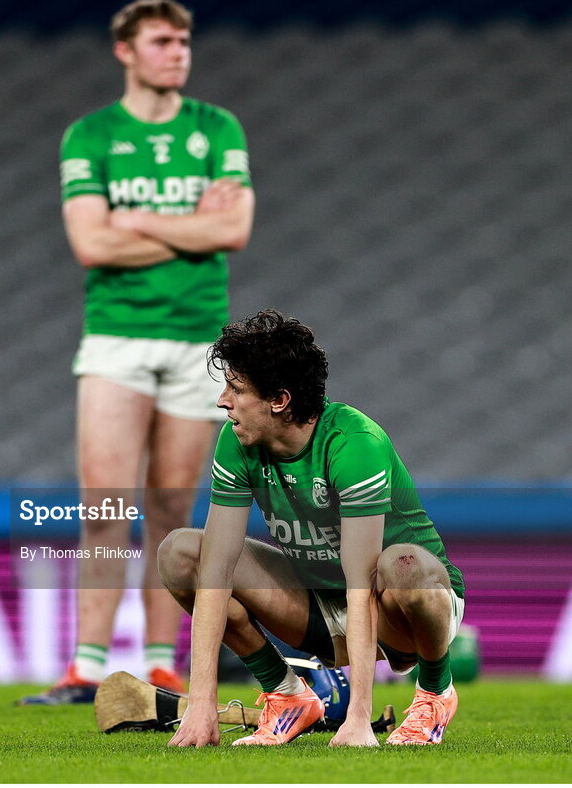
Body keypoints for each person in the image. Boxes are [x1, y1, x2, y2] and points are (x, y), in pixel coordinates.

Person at [20, 0, 256, 704]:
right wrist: (191, 224)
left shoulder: (217, 127)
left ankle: (160, 663)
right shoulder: (90, 135)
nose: (178, 51)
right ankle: (86, 667)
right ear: (124, 50)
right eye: (161, 40)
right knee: (104, 506)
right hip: (116, 339)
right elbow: (90, 242)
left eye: (183, 39)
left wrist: (138, 219)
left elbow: (235, 228)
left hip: (196, 343)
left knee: (171, 510)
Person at [160, 310, 466, 746]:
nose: (222, 400)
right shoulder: (237, 441)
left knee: (404, 565)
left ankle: (435, 691)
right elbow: (215, 574)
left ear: (279, 400)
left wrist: (358, 719)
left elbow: (361, 586)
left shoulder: (354, 443)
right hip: (320, 607)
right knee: (181, 553)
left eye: (237, 389)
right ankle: (286, 696)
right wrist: (201, 703)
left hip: (400, 607)